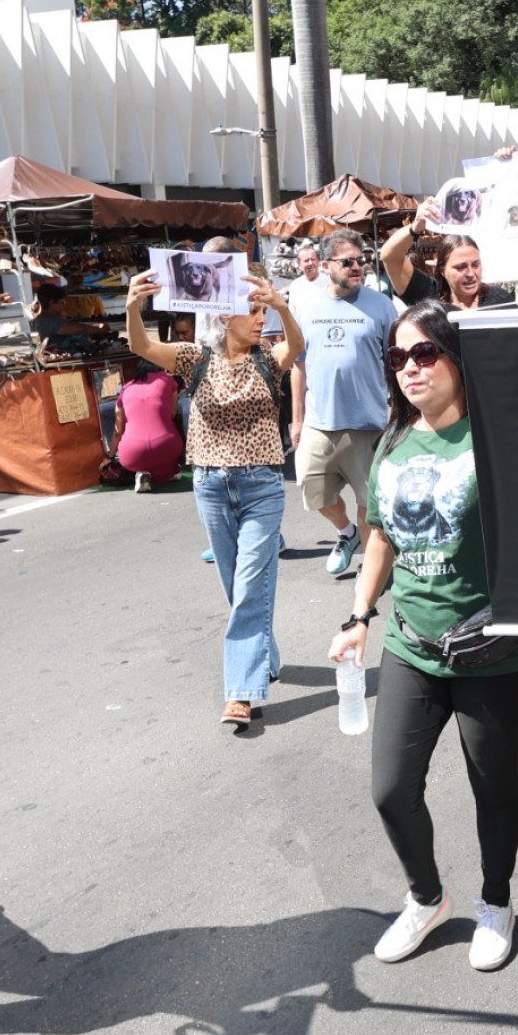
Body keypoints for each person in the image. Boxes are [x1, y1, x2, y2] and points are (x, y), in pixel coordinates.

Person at [328, 301, 518, 971]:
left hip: (493, 650)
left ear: (459, 357)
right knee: (391, 787)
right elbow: (380, 535)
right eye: (398, 358)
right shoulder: (394, 441)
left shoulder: (499, 435)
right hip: (411, 643)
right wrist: (360, 615)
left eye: (425, 353)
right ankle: (427, 896)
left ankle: (496, 901)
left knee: (493, 784)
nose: (410, 368)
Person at [126, 265, 301, 727]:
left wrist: (283, 306)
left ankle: (241, 692)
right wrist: (132, 308)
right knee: (237, 587)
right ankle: (264, 655)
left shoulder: (269, 357)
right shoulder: (195, 358)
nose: (261, 320)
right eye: (254, 312)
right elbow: (141, 347)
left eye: (265, 311)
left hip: (263, 486)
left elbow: (298, 347)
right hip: (211, 486)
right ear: (226, 317)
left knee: (247, 587)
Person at [291, 230, 399, 576]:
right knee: (315, 494)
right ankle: (345, 533)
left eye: (362, 260)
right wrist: (296, 419)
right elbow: (298, 366)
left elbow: (396, 365)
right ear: (325, 266)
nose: (358, 267)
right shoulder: (306, 306)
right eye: (348, 261)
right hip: (318, 423)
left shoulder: (382, 305)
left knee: (370, 506)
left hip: (369, 423)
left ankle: (371, 573)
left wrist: (399, 416)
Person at [380, 204, 517, 310]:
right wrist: (415, 228)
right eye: (460, 267)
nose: (470, 274)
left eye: (475, 265)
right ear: (442, 270)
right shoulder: (428, 295)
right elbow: (390, 257)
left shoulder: (500, 299)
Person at [108, 360, 184, 490]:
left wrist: (108, 457)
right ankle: (165, 473)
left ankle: (143, 472)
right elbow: (172, 413)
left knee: (143, 458)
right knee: (167, 451)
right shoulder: (167, 380)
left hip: (131, 452)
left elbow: (117, 432)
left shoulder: (126, 388)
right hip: (166, 445)